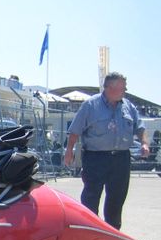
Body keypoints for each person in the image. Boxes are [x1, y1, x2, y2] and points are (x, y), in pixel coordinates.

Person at [63, 72, 149, 229]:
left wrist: (144, 143)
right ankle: (89, 230)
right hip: (96, 159)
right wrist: (69, 151)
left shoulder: (128, 106)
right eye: (123, 87)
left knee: (117, 198)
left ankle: (112, 232)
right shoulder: (91, 105)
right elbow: (75, 130)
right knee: (91, 197)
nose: (125, 90)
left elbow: (140, 127)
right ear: (110, 88)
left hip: (121, 159)